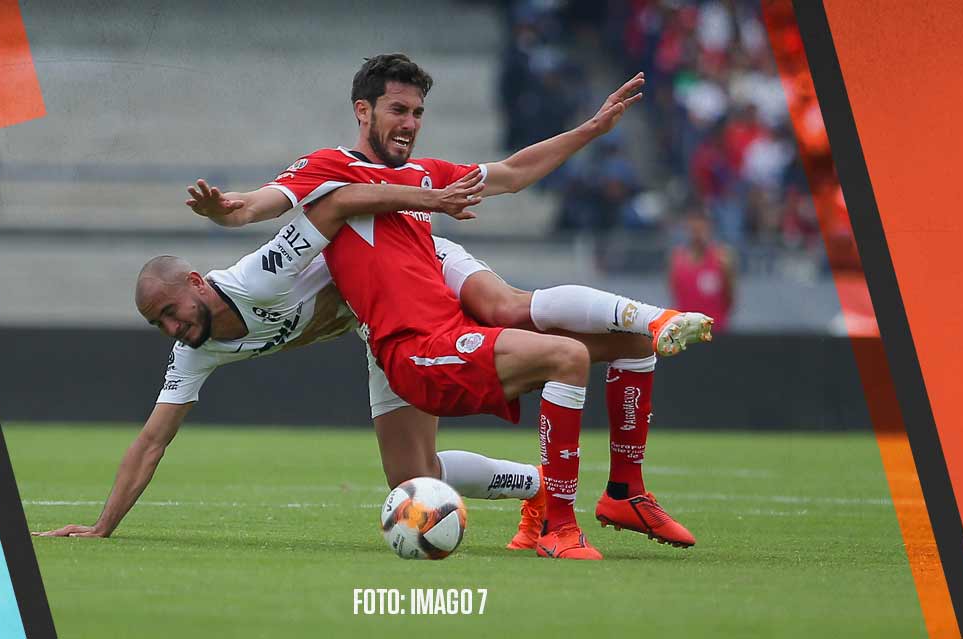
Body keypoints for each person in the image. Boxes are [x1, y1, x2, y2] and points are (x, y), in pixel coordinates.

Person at [185, 54, 711, 559]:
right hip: (414, 350)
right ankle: (559, 525)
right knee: (565, 357)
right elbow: (256, 205)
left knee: (628, 348)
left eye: (417, 112)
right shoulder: (330, 169)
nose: (410, 123)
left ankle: (621, 490)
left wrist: (590, 130)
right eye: (398, 110)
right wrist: (224, 212)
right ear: (362, 111)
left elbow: (511, 174)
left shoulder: (423, 174)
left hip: (444, 334)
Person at [33, 178, 696, 549]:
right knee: (416, 484)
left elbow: (335, 203)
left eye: (172, 311)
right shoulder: (195, 349)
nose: (172, 329)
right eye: (160, 325)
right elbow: (153, 439)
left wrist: (428, 202)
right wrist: (101, 527)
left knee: (509, 309)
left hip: (411, 263)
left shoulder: (259, 273)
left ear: (199, 282)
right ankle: (540, 489)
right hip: (378, 325)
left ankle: (644, 324)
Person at [669, 209, 736, 332]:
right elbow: (674, 293)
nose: (697, 235)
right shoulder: (677, 260)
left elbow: (730, 298)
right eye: (694, 230)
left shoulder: (721, 259)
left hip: (715, 330)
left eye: (701, 230)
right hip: (685, 332)